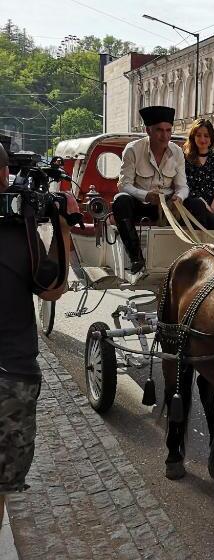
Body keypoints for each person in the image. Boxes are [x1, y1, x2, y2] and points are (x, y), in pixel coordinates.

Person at [0, 143, 75, 527]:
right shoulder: (18, 234)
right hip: (10, 377)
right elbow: (52, 287)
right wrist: (60, 224)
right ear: (4, 176)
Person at [114, 105, 188, 274]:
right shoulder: (133, 149)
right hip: (140, 205)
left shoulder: (177, 152)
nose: (165, 136)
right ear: (148, 130)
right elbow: (124, 185)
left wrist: (179, 197)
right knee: (121, 201)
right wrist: (146, 195)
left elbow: (183, 186)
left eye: (168, 130)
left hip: (168, 206)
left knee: (197, 205)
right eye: (159, 130)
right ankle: (136, 258)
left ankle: (194, 257)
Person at [183, 119, 214, 230]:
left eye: (206, 135)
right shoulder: (185, 158)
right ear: (193, 137)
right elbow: (187, 186)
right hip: (195, 201)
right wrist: (205, 205)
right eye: (199, 135)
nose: (202, 139)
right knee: (210, 219)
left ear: (211, 138)